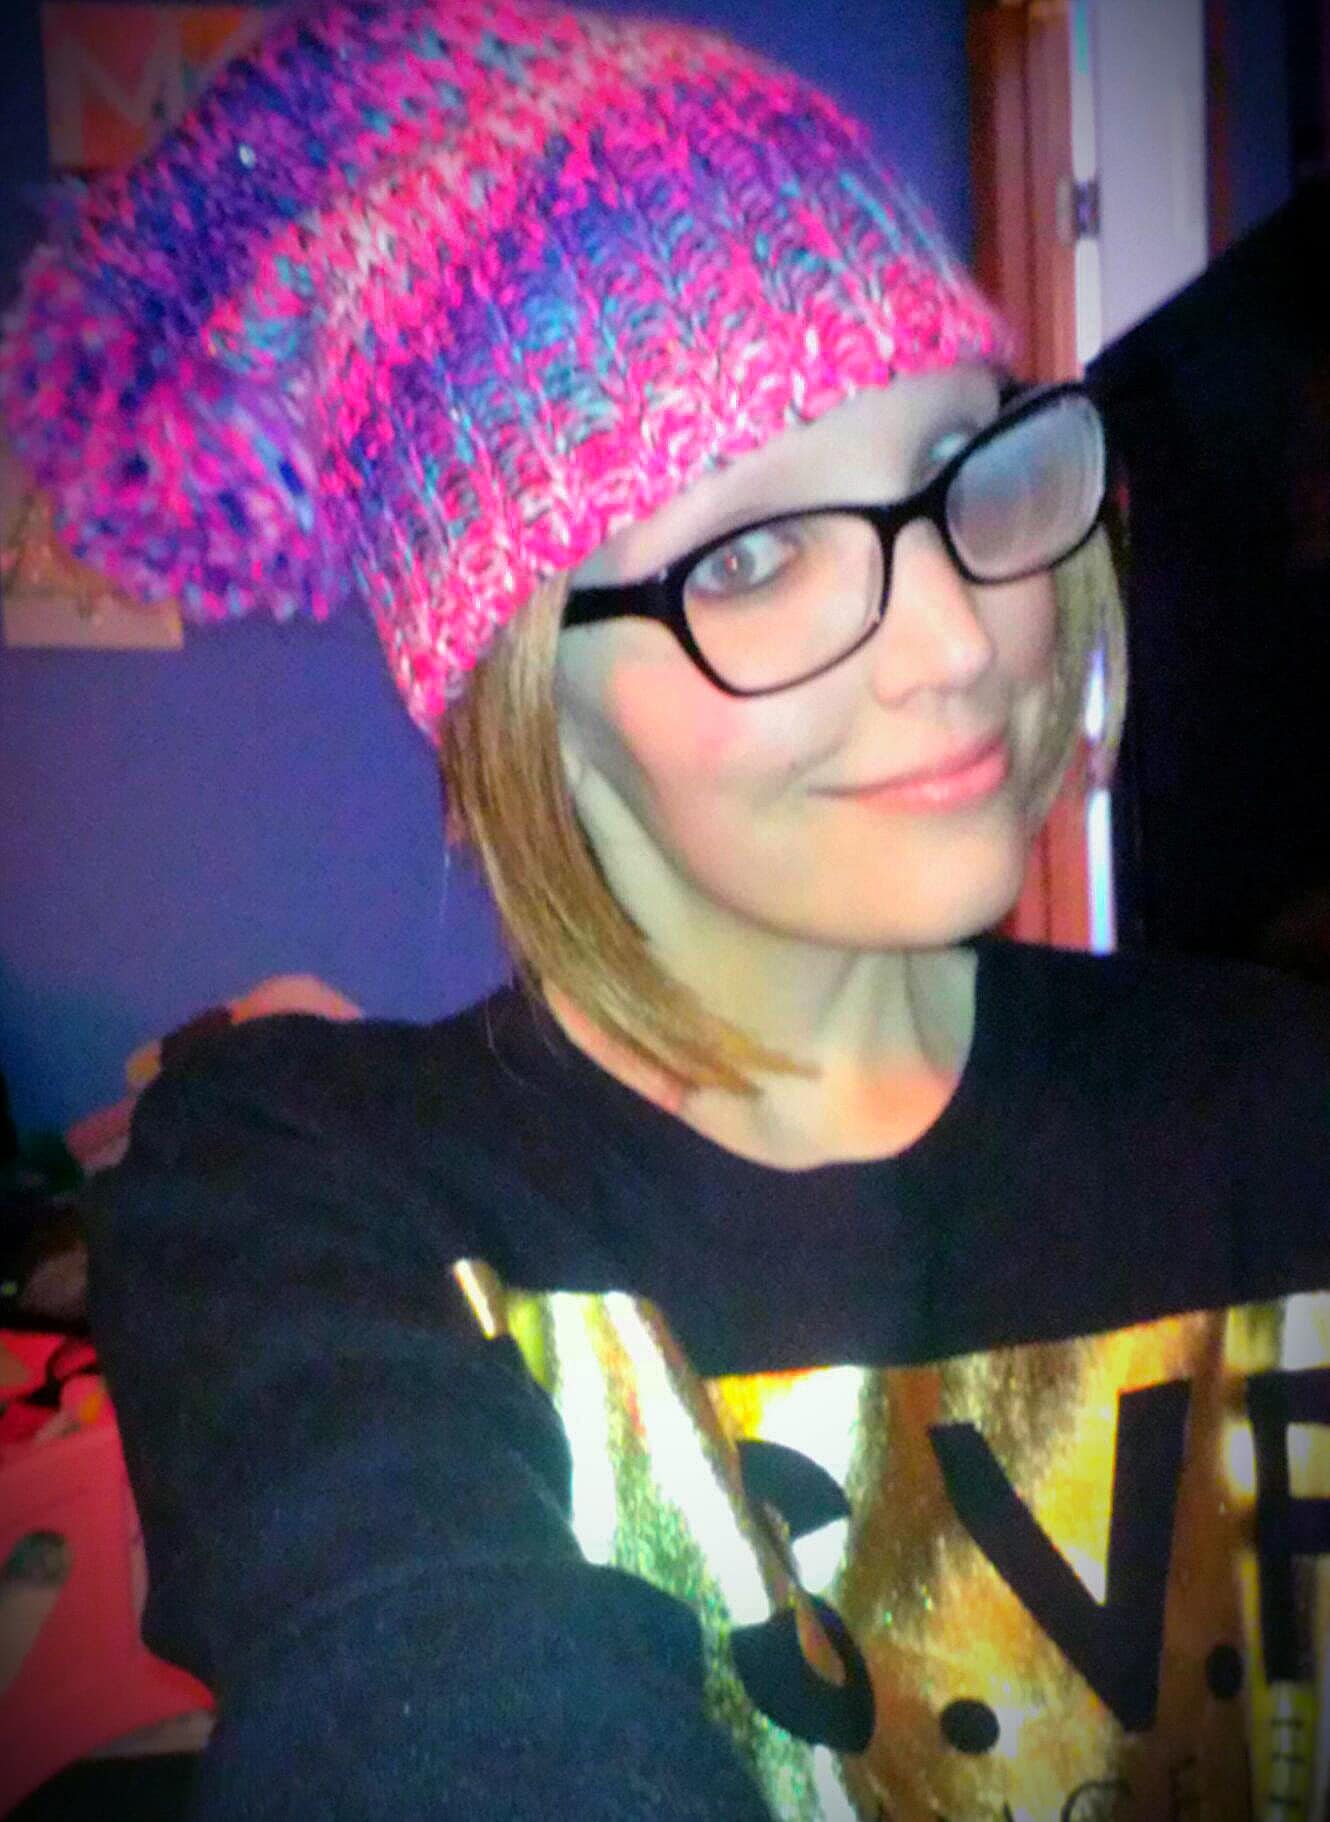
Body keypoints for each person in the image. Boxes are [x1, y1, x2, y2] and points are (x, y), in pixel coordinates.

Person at [3, 1, 1329, 1817]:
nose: (957, 641)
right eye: (755, 554)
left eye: (962, 463)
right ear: (519, 682)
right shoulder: (304, 1191)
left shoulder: (1281, 1099)